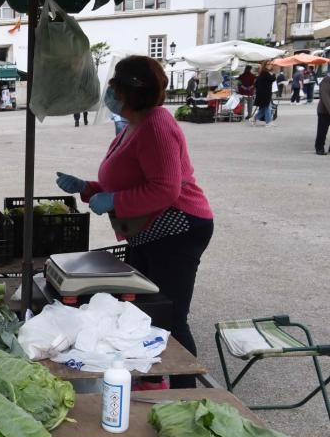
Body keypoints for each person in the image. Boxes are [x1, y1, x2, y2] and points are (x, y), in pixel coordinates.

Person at [55, 56, 213, 389]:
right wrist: (87, 188)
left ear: (128, 92)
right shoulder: (135, 125)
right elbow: (125, 180)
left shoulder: (157, 126)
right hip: (149, 231)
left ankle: (187, 393)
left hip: (177, 229)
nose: (109, 91)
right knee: (145, 311)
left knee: (169, 314)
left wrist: (115, 201)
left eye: (114, 85)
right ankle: (152, 381)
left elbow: (166, 188)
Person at [250, 62, 276, 127]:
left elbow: (256, 84)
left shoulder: (262, 73)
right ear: (265, 66)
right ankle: (268, 122)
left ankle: (253, 119)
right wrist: (273, 74)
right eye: (268, 64)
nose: (270, 65)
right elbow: (272, 79)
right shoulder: (265, 73)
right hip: (264, 93)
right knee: (267, 107)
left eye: (271, 64)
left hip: (263, 93)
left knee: (264, 108)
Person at [315, 72, 330, 155]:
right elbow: (325, 96)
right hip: (324, 111)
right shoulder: (327, 79)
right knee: (322, 131)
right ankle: (319, 148)